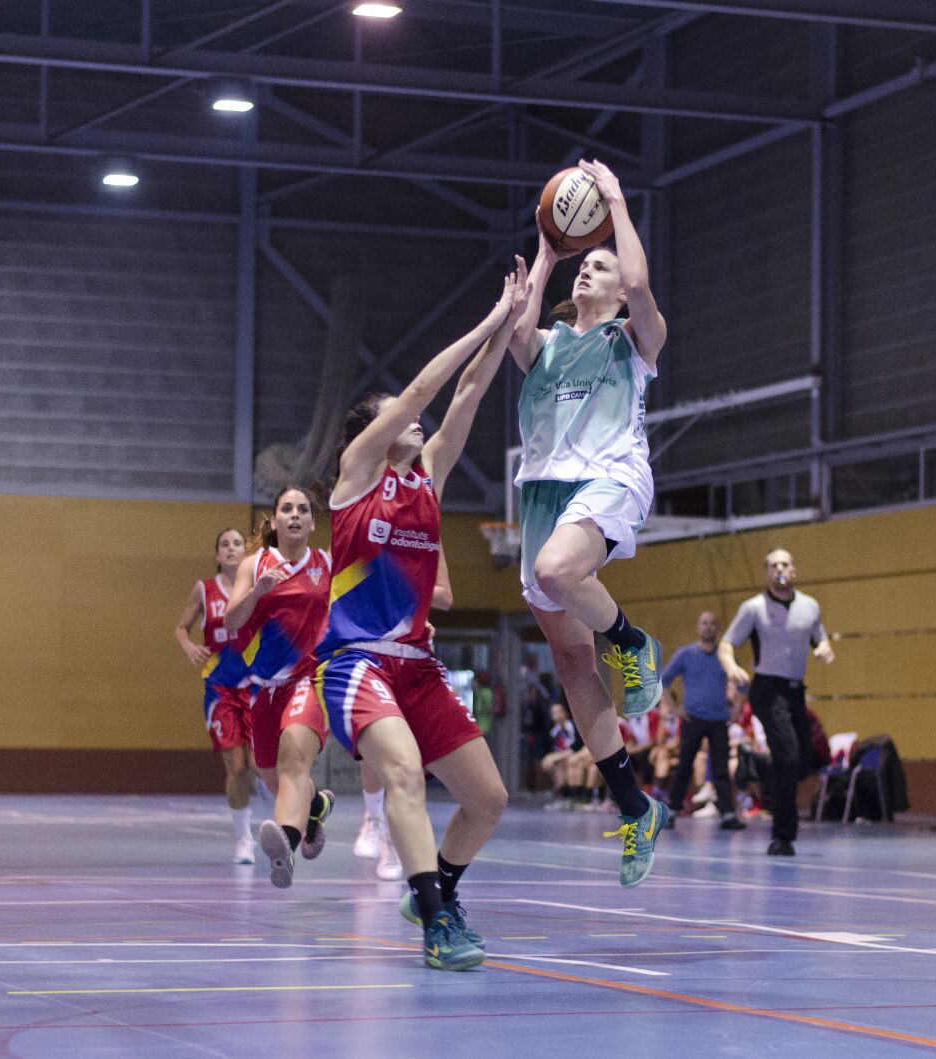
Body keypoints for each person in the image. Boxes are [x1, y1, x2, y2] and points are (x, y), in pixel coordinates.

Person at [313, 273, 523, 971]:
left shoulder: (425, 476)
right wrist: (488, 313)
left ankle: (439, 888)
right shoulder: (355, 474)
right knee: (402, 771)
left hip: (416, 664)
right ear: (370, 431)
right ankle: (437, 923)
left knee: (487, 798)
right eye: (396, 416)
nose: (415, 421)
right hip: (354, 663)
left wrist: (517, 309)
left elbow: (466, 392)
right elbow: (421, 394)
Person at [509, 158, 673, 885]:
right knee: (574, 665)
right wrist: (548, 251)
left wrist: (613, 203)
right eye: (587, 265)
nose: (591, 273)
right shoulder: (547, 346)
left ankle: (633, 639)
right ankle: (636, 806)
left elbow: (639, 284)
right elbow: (514, 329)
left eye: (597, 265)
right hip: (544, 493)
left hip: (611, 478)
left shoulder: (634, 341)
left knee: (556, 571)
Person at [221, 487, 336, 887]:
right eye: (287, 508)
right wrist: (258, 592)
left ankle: (285, 844)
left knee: (293, 766)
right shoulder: (254, 564)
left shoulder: (327, 564)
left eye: (303, 510)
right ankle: (316, 806)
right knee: (271, 778)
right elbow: (231, 623)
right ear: (275, 520)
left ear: (311, 522)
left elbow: (361, 602)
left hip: (310, 679)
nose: (294, 515)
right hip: (264, 688)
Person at [720, 548, 834, 856]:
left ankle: (771, 787)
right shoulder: (754, 608)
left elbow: (819, 637)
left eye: (784, 564)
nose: (779, 569)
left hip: (795, 691)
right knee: (787, 756)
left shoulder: (810, 606)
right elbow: (727, 644)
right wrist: (732, 668)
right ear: (767, 573)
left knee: (801, 761)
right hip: (767, 690)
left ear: (793, 570)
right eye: (773, 565)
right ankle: (782, 835)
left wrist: (824, 649)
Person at [173, 528, 258, 864]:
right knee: (236, 768)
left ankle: (262, 793)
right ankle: (244, 839)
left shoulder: (256, 587)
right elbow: (181, 627)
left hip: (254, 686)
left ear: (245, 551)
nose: (231, 549)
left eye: (237, 544)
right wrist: (190, 646)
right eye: (225, 544)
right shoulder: (204, 590)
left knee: (256, 764)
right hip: (220, 688)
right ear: (218, 554)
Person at [662, 611, 744, 830]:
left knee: (720, 768)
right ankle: (671, 810)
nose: (708, 627)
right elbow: (663, 681)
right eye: (704, 623)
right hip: (693, 719)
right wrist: (674, 709)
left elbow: (743, 684)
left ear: (718, 629)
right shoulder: (685, 654)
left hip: (719, 721)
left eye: (713, 624)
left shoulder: (726, 656)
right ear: (698, 627)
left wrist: (736, 710)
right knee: (684, 765)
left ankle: (727, 813)